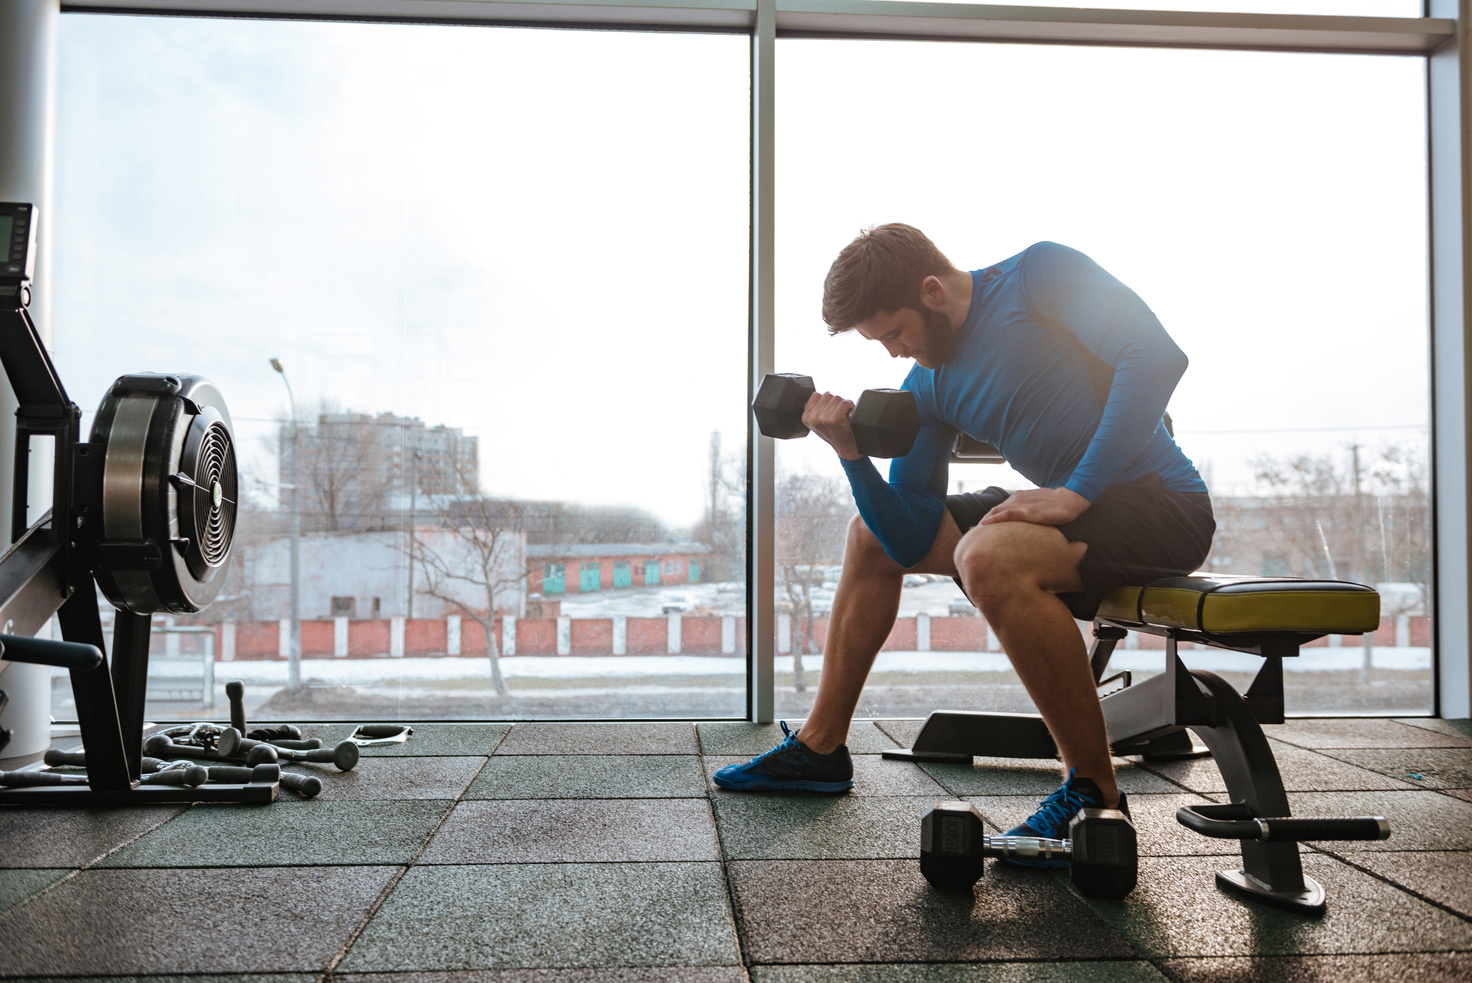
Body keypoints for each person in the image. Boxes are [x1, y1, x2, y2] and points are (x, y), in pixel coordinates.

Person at [715, 225, 1215, 863]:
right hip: (1071, 508)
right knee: (868, 535)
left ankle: (1093, 791)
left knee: (983, 554)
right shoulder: (928, 386)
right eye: (881, 343)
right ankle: (820, 748)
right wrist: (852, 455)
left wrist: (1077, 492)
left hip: (1160, 504)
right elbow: (905, 538)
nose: (895, 353)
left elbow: (1155, 355)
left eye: (895, 333)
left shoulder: (1039, 275)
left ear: (932, 292)